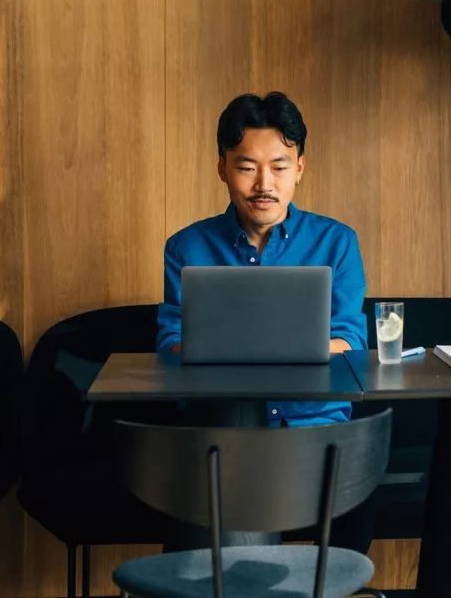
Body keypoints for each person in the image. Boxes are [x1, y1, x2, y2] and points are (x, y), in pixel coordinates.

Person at [157, 91, 375, 552]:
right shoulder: (186, 248)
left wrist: (233, 354)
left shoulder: (337, 243)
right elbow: (173, 346)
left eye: (279, 166)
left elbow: (349, 341)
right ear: (221, 167)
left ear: (299, 168)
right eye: (246, 166)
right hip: (219, 437)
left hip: (316, 437)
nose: (264, 184)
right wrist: (290, 351)